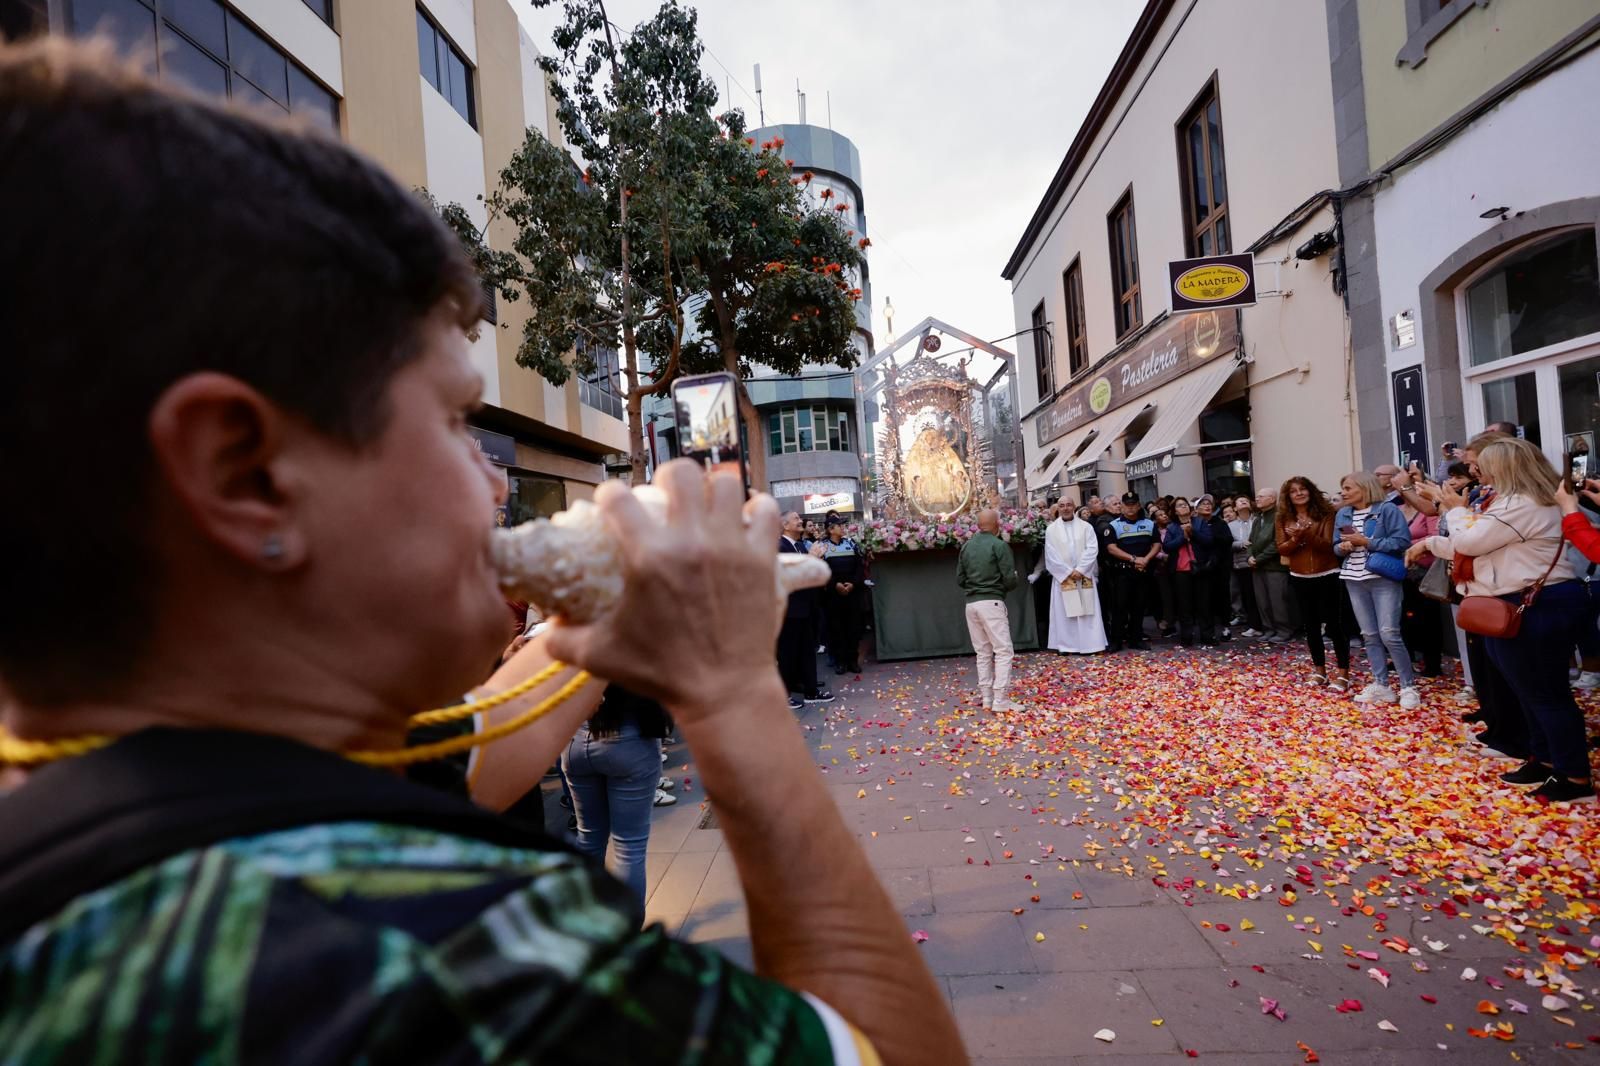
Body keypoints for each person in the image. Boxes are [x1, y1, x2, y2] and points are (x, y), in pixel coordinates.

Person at [0, 39, 962, 1063]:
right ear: (244, 473)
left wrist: (616, 612)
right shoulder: (447, 955)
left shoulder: (110, 798)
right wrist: (730, 692)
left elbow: (464, 757)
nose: (495, 482)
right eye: (456, 422)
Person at [1412, 438, 1589, 802]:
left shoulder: (1526, 503)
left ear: (1505, 467)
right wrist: (1430, 543)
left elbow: (1471, 542)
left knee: (1546, 693)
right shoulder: (1510, 501)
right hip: (1518, 600)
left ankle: (1574, 776)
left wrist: (1453, 510)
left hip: (1537, 603)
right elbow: (1474, 545)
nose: (1475, 470)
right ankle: (1543, 757)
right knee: (1526, 689)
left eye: (1483, 464)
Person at [562, 684, 674, 904]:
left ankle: (585, 915)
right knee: (629, 848)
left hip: (575, 740)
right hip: (629, 738)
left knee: (588, 837)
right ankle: (628, 923)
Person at [1335, 471, 1421, 709]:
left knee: (1389, 633)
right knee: (1369, 635)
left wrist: (1367, 542)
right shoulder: (1343, 513)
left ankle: (1408, 687)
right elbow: (1335, 546)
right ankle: (1381, 685)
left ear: (1365, 488)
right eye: (1343, 488)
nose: (1343, 493)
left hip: (1383, 577)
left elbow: (1402, 542)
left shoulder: (1387, 509)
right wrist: (1343, 547)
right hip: (1353, 578)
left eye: (1348, 488)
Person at [1276, 476, 1352, 691]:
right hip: (1299, 576)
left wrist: (1305, 534)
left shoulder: (1326, 513)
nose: (1299, 493)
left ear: (1311, 491)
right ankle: (1320, 671)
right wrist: (1296, 539)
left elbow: (1327, 546)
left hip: (1327, 573)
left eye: (1303, 489)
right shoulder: (1283, 517)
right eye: (1294, 491)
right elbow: (1281, 548)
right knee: (1310, 626)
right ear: (1288, 496)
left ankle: (1343, 673)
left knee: (1334, 626)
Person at [957, 509, 1019, 712]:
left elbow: (960, 579)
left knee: (982, 652)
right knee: (1003, 651)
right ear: (997, 525)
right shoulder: (999, 545)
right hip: (992, 602)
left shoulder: (966, 546)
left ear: (978, 525)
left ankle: (987, 698)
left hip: (971, 604)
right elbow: (1009, 579)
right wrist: (1012, 581)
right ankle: (1000, 699)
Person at [1386, 467, 1445, 678]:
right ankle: (1405, 658)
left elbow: (1435, 535)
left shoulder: (1428, 509)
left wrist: (1404, 545)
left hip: (1424, 570)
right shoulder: (1396, 509)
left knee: (1428, 619)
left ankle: (1432, 663)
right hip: (1399, 569)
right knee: (1401, 616)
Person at [778, 511, 834, 708]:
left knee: (807, 653)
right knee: (787, 654)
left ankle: (811, 691)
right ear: (785, 525)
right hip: (789, 611)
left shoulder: (801, 545)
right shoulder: (780, 547)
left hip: (807, 608)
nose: (800, 521)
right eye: (795, 518)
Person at [1040, 501, 1107, 653]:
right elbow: (1050, 554)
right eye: (1062, 505)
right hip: (1064, 577)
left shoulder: (1086, 527)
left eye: (1069, 505)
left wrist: (1081, 569)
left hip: (1083, 576)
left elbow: (1092, 548)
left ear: (1074, 507)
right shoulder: (1051, 529)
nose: (1065, 508)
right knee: (1065, 613)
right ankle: (1067, 645)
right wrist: (1067, 572)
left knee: (1087, 611)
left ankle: (1091, 644)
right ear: (1058, 508)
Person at [1101, 492, 1159, 651]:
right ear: (1122, 506)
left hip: (1143, 571)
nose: (1130, 508)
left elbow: (1156, 544)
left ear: (1139, 506)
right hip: (1122, 573)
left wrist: (1145, 559)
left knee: (1139, 607)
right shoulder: (1114, 525)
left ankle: (1136, 639)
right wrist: (1133, 559)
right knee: (1119, 607)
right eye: (1127, 505)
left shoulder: (1149, 524)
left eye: (1133, 504)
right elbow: (1111, 548)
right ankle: (1116, 641)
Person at [1248, 488, 1295, 643]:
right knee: (1262, 601)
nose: (1257, 499)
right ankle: (1268, 629)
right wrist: (1249, 556)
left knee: (1277, 601)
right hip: (1257, 566)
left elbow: (1277, 543)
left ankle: (1283, 630)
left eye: (1261, 496)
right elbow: (1250, 541)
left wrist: (1258, 558)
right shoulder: (1258, 518)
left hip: (1274, 567)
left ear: (1272, 499)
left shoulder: (1280, 516)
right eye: (1257, 496)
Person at [821, 522, 866, 674]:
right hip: (833, 595)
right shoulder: (823, 546)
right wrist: (835, 584)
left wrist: (853, 583)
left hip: (852, 593)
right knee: (836, 628)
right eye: (838, 526)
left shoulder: (851, 543)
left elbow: (859, 566)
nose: (842, 528)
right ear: (830, 530)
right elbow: (821, 568)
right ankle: (841, 661)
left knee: (854, 627)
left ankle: (853, 661)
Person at [1192, 494, 1234, 643]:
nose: (1207, 506)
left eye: (1209, 504)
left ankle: (1225, 626)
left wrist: (1210, 536)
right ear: (1196, 509)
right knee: (1205, 600)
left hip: (1220, 566)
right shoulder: (1194, 524)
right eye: (1203, 504)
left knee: (1223, 597)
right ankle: (1207, 631)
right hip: (1202, 567)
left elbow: (1228, 540)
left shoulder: (1220, 523)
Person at [1229, 496, 1263, 635]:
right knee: (1248, 595)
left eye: (1246, 500)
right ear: (1234, 508)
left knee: (1261, 595)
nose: (1243, 501)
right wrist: (1241, 544)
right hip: (1241, 564)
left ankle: (1265, 625)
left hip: (1259, 561)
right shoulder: (1231, 525)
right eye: (1240, 501)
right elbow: (1228, 544)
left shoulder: (1258, 520)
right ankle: (1254, 625)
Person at [1150, 505, 1178, 638]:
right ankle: (1168, 623)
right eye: (1160, 515)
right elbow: (1151, 548)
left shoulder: (1173, 529)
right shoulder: (1154, 532)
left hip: (1176, 564)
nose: (1164, 516)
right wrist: (1162, 556)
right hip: (1161, 567)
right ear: (1155, 520)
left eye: (1165, 514)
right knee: (1166, 597)